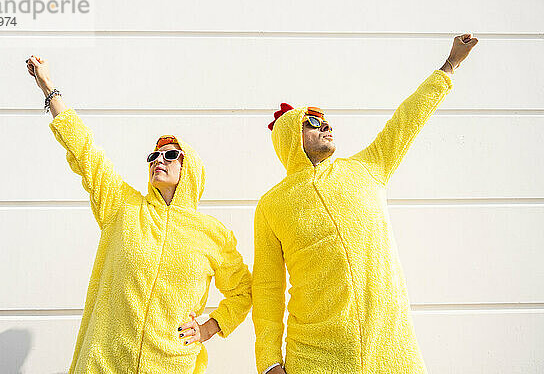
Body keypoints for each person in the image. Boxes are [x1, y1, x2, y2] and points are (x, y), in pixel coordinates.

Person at [252, 34, 479, 373]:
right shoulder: (271, 205)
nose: (325, 125)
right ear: (289, 137)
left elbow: (405, 123)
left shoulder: (367, 168)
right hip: (315, 356)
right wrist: (270, 363)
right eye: (311, 123)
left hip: (389, 348)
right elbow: (267, 288)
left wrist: (449, 66)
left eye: (325, 119)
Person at [26, 55, 252, 374]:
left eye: (171, 155)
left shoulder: (212, 233)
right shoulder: (122, 206)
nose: (159, 159)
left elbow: (243, 290)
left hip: (171, 364)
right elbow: (86, 153)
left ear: (191, 168)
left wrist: (210, 327)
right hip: (105, 363)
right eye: (154, 155)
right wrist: (50, 88)